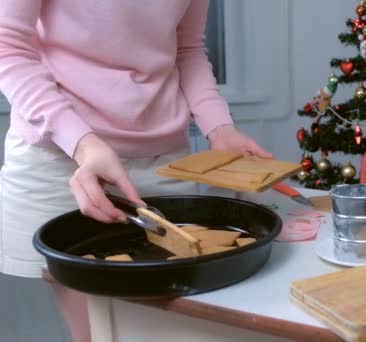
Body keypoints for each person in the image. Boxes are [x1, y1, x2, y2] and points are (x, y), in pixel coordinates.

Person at [0, 1, 272, 341]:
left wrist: (220, 129)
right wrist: (84, 143)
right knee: (99, 334)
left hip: (160, 159)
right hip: (62, 155)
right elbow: (7, 46)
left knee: (170, 331)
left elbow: (186, 50)